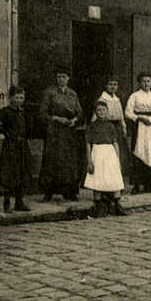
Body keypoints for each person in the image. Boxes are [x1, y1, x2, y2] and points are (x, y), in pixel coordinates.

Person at [38, 67, 84, 202]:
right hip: (55, 132)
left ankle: (69, 191)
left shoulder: (73, 94)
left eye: (64, 77)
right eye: (59, 77)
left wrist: (74, 120)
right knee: (52, 160)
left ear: (68, 78)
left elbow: (80, 113)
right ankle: (48, 192)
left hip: (69, 132)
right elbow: (42, 113)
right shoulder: (49, 93)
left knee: (69, 162)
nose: (61, 79)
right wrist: (56, 118)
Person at [0, 85, 32, 213]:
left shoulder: (22, 112)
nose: (19, 100)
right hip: (10, 147)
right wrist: (1, 132)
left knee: (21, 173)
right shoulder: (4, 112)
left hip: (22, 146)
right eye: (17, 97)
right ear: (11, 98)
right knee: (9, 175)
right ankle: (7, 203)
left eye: (21, 97)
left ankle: (19, 202)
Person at [125, 72, 151, 194]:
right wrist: (140, 118)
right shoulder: (134, 96)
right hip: (140, 126)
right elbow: (128, 112)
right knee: (140, 152)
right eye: (143, 81)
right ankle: (137, 185)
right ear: (139, 82)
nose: (146, 83)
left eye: (148, 81)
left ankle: (149, 184)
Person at [84, 100, 126, 217]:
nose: (101, 112)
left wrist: (118, 159)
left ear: (107, 111)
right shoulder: (91, 126)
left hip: (110, 153)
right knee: (98, 178)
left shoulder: (111, 126)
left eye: (103, 110)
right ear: (95, 112)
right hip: (97, 152)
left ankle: (117, 204)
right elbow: (88, 144)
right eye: (99, 110)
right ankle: (98, 205)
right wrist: (89, 161)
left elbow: (115, 143)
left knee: (114, 177)